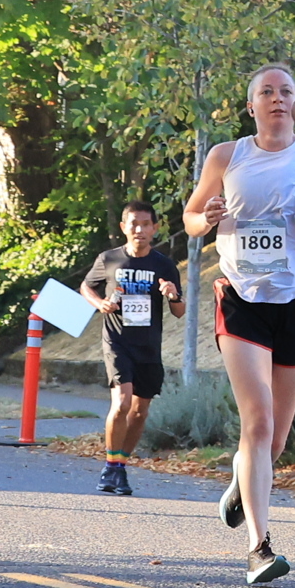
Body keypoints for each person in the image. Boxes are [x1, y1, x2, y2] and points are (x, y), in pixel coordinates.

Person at [183, 65, 295, 585]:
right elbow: (190, 219)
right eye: (267, 92)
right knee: (256, 423)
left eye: (286, 92)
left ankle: (244, 481)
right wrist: (207, 217)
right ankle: (259, 548)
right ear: (251, 105)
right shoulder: (226, 156)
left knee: (275, 439)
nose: (277, 99)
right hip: (243, 297)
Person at [80, 201, 179, 496]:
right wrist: (100, 303)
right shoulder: (109, 259)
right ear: (124, 227)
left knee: (139, 412)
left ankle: (120, 466)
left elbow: (179, 311)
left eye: (146, 224)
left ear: (155, 228)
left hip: (148, 346)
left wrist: (173, 295)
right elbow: (86, 286)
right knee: (122, 403)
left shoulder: (164, 265)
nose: (140, 230)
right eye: (134, 224)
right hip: (117, 341)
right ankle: (111, 466)